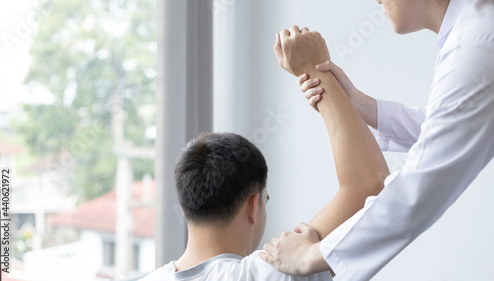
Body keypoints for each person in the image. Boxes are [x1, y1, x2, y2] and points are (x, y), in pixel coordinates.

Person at [261, 0, 494, 280]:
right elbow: (450, 126)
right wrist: (355, 102)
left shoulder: (478, 43)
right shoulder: (476, 33)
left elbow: (419, 189)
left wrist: (313, 254)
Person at [139, 27, 391, 280]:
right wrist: (315, 69)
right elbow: (371, 183)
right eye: (264, 200)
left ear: (184, 207)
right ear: (253, 206)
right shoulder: (278, 270)